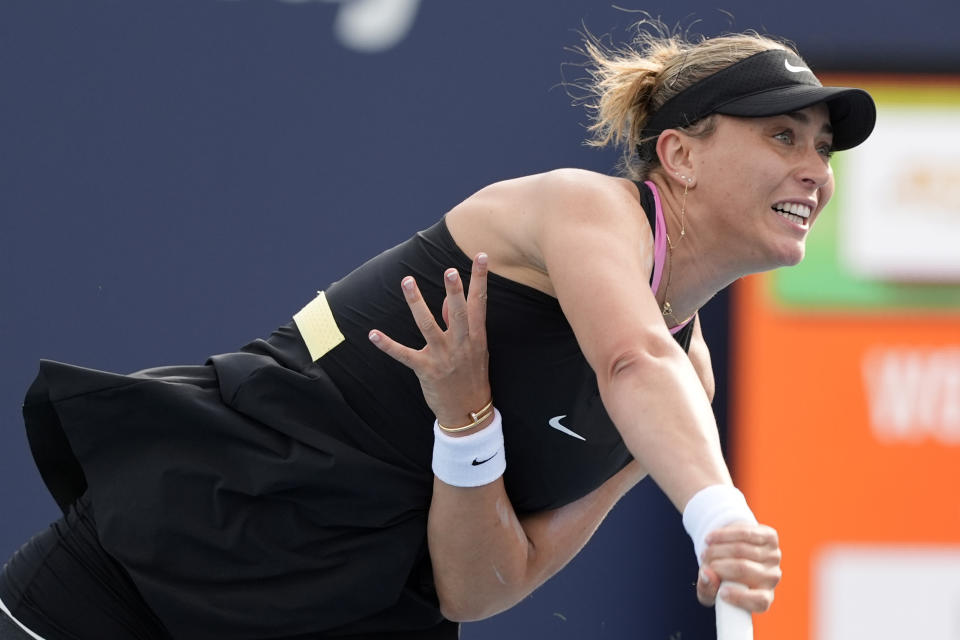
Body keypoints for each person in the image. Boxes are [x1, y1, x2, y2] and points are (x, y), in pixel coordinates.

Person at [0, 24, 875, 640]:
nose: (814, 170)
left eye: (823, 149)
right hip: (160, 559)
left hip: (330, 614)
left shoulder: (690, 385)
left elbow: (483, 586)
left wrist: (468, 429)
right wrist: (719, 514)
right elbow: (628, 356)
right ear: (680, 155)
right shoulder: (583, 208)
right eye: (783, 135)